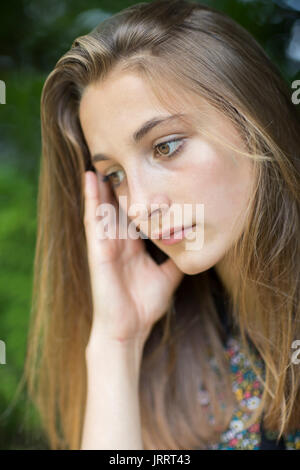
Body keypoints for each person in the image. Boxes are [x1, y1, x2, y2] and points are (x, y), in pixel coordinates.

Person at [23, 0, 300, 450]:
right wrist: (118, 343)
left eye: (166, 147)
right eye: (114, 176)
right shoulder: (171, 356)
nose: (139, 207)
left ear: (254, 120)